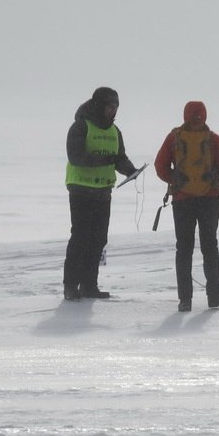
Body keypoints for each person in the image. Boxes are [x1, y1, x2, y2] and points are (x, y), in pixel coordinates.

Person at [154, 100, 219, 312]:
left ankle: (185, 300)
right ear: (205, 115)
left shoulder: (174, 138)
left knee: (184, 249)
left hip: (182, 200)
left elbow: (160, 166)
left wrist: (176, 179)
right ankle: (213, 298)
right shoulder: (213, 139)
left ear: (185, 115)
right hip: (209, 200)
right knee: (210, 247)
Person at [63, 86, 140, 301]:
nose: (113, 111)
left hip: (103, 192)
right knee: (80, 237)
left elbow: (119, 158)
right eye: (109, 107)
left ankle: (89, 285)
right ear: (99, 105)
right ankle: (70, 286)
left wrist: (131, 170)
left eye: (115, 107)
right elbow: (76, 157)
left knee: (98, 239)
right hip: (80, 190)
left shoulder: (115, 132)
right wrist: (104, 160)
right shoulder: (80, 126)